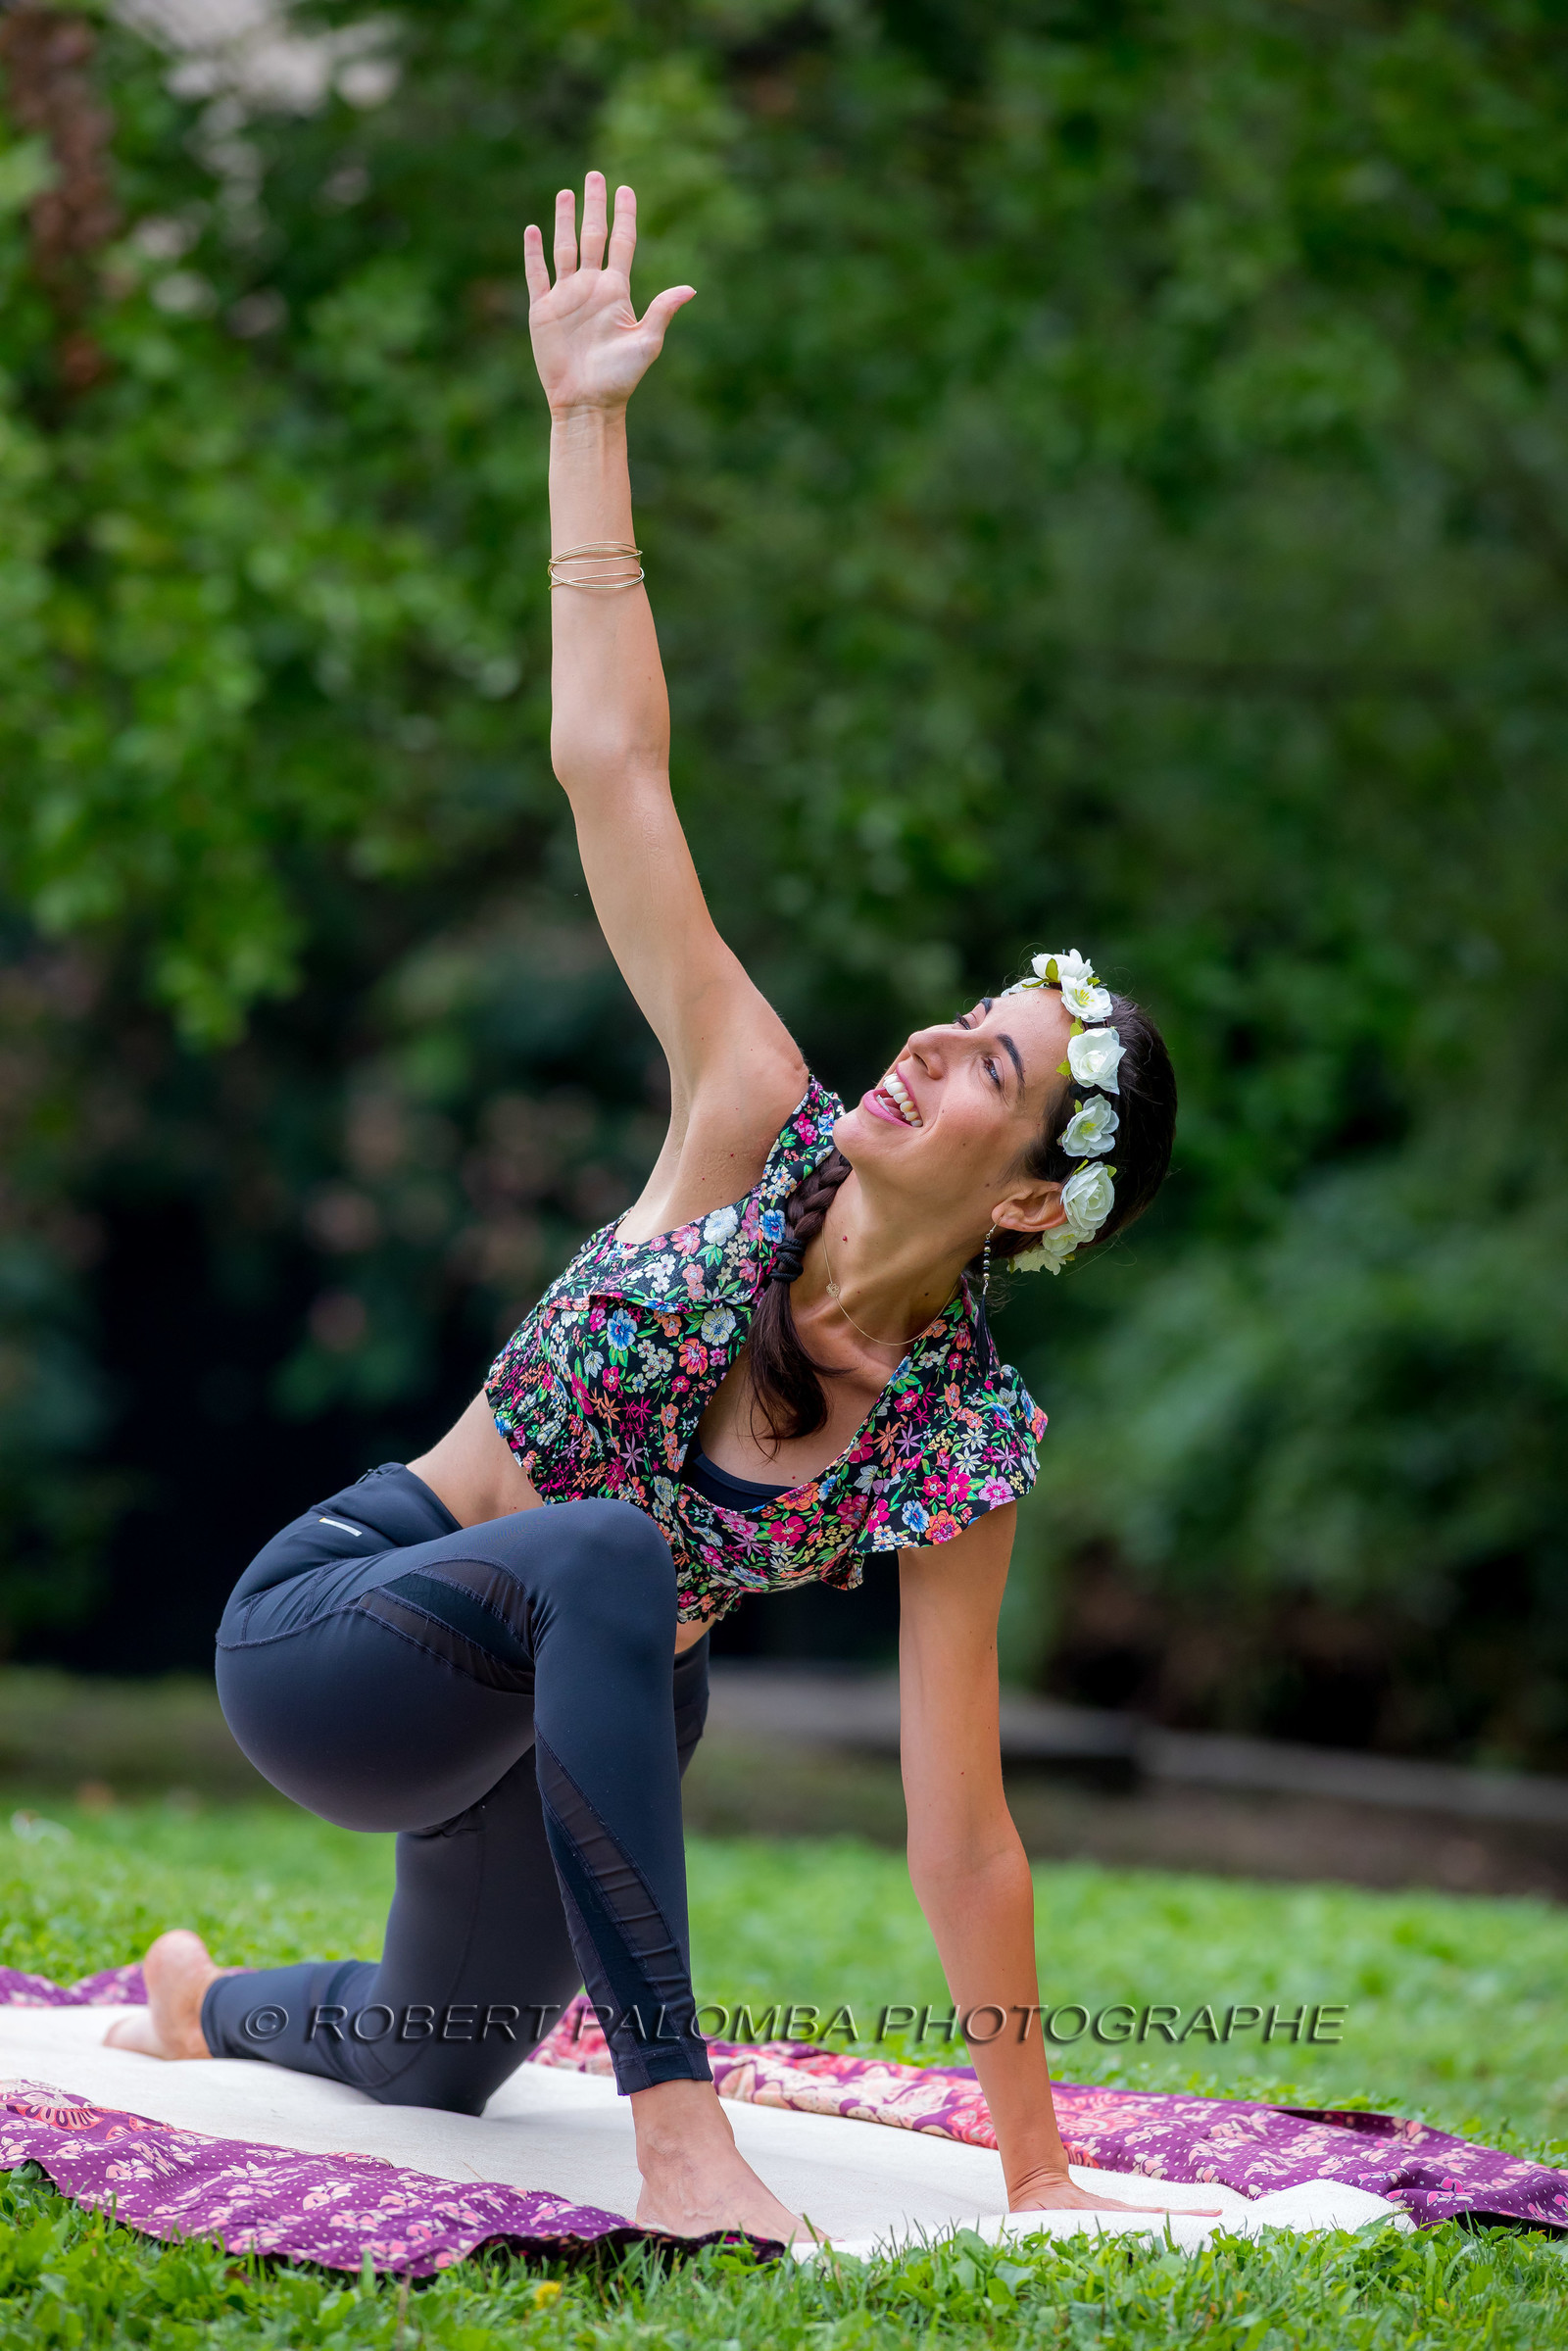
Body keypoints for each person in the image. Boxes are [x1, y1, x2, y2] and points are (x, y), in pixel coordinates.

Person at [109, 174, 1197, 2246]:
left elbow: (960, 1830)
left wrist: (1038, 2166)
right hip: (338, 1633)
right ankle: (679, 2134)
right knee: (614, 1559)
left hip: (531, 1725)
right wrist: (583, 421)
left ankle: (197, 2001)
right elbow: (614, 767)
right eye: (962, 1016)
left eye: (991, 1067)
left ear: (1026, 1207)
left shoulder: (958, 1448)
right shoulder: (750, 1112)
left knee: (437, 2050)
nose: (930, 1044)